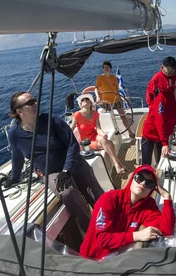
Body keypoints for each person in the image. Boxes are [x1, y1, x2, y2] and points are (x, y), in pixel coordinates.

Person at [6, 91, 105, 232]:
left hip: (73, 163)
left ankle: (109, 216)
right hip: (51, 172)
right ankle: (92, 230)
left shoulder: (51, 120)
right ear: (19, 111)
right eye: (30, 103)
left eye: (35, 100)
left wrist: (67, 170)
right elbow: (16, 157)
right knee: (67, 192)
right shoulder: (15, 134)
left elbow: (72, 144)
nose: (35, 103)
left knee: (92, 188)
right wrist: (14, 178)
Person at [80, 165, 175, 260]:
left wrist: (167, 197)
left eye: (149, 183)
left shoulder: (148, 206)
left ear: (152, 189)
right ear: (132, 179)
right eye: (139, 178)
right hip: (91, 259)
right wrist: (137, 235)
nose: (143, 183)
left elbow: (167, 232)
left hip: (116, 259)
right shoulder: (108, 199)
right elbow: (102, 239)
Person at [141, 72, 176, 165]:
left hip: (164, 136)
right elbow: (160, 121)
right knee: (146, 164)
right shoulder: (163, 97)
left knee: (161, 162)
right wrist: (165, 143)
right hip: (150, 134)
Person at [71, 94, 126, 174]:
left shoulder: (95, 114)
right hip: (86, 142)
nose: (85, 101)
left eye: (87, 99)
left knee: (105, 140)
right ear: (80, 104)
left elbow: (98, 128)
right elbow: (70, 129)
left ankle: (117, 164)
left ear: (91, 103)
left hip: (94, 135)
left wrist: (103, 134)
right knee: (109, 144)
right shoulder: (77, 115)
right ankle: (118, 164)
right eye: (83, 100)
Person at [95, 61, 136, 139]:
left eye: (108, 67)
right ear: (103, 69)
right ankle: (111, 134)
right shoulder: (100, 78)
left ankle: (130, 132)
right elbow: (96, 88)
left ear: (110, 68)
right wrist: (97, 97)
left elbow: (116, 89)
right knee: (109, 118)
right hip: (106, 102)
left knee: (123, 116)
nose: (106, 69)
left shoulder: (114, 78)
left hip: (117, 100)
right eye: (105, 67)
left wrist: (119, 96)